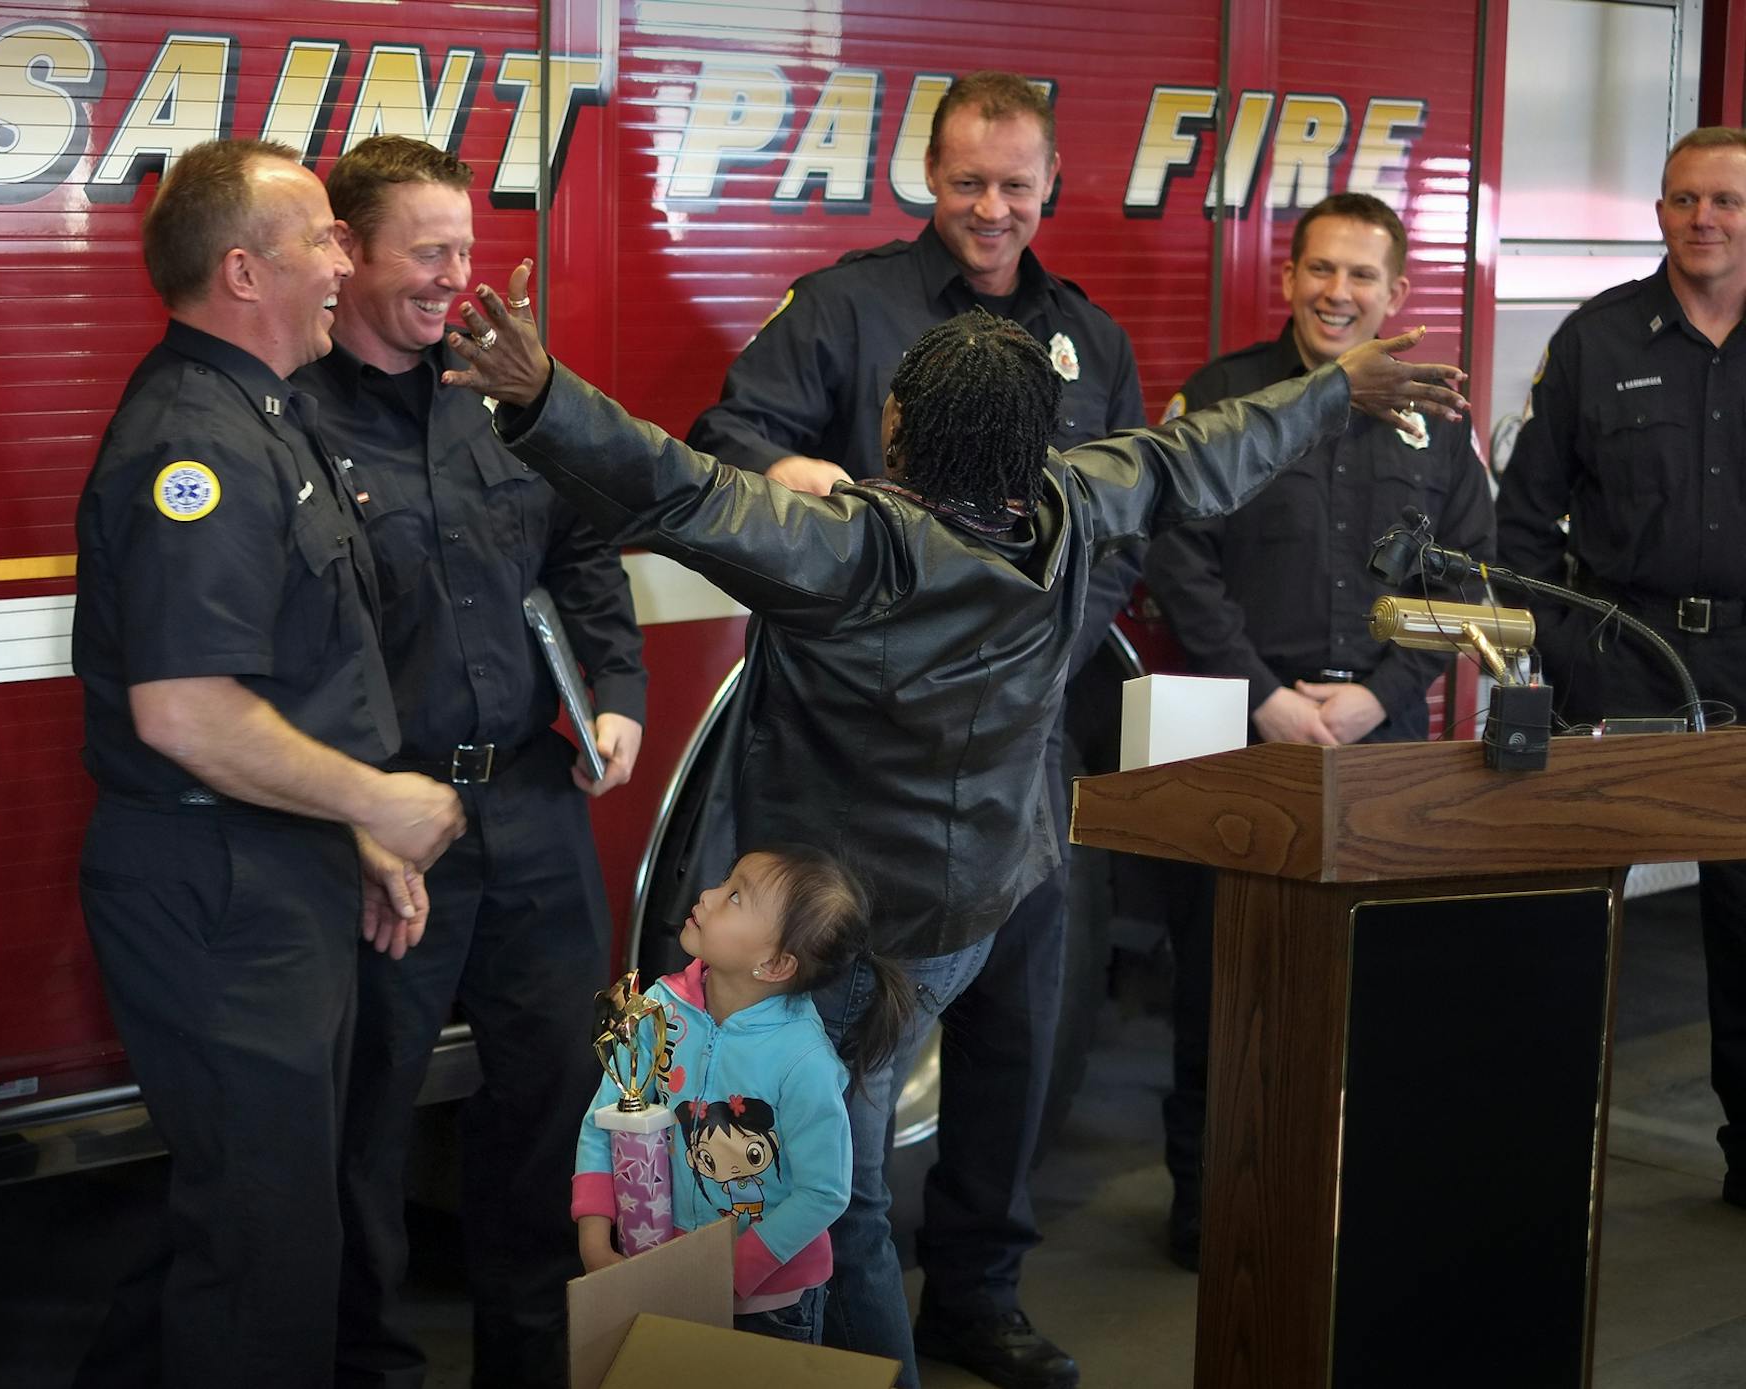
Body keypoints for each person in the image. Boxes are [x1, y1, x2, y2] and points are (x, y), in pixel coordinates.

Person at [446, 267, 1466, 1385]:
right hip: (969, 912)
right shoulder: (1073, 506)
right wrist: (1336, 387)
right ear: (1033, 440)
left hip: (839, 936)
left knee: (834, 1202)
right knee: (833, 1173)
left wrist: (542, 391)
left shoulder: (849, 551)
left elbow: (676, 487)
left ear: (898, 426)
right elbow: (1199, 455)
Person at [684, 70, 1144, 1387]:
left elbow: (1121, 530)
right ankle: (834, 1310)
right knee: (848, 1076)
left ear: (1052, 185)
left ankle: (979, 1295)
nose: (991, 209)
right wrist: (798, 477)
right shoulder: (847, 308)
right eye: (966, 182)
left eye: (1015, 184)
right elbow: (728, 437)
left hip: (1024, 762)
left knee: (1019, 1027)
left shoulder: (1090, 338)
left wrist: (1031, 651)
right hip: (864, 780)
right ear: (924, 177)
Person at [69, 137, 465, 1387]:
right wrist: (377, 801)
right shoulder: (197, 444)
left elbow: (290, 684)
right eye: (323, 240)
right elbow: (186, 709)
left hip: (271, 865)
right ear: (244, 272)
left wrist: (343, 833)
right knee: (264, 1250)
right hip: (217, 888)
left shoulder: (266, 414)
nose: (346, 261)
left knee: (258, 1216)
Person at [292, 135, 648, 1389]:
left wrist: (616, 693)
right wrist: (353, 817)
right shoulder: (291, 414)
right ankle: (370, 1367)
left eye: (466, 249)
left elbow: (582, 549)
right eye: (428, 252)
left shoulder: (503, 390)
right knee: (366, 1123)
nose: (458, 278)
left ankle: (531, 1363)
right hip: (388, 831)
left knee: (554, 1105)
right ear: (348, 252)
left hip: (533, 807)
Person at [1144, 192, 1496, 1267]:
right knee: (1226, 984)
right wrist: (1264, 694)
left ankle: (1359, 1203)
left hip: (1382, 740)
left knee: (1379, 981)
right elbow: (1177, 556)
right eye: (1321, 270)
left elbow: (1466, 574)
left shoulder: (1439, 417)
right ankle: (1213, 1212)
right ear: (1289, 278)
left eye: (1361, 275)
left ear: (1397, 293)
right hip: (1244, 730)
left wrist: (1383, 694)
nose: (1338, 293)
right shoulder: (1222, 399)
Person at [1494, 125, 1746, 1214]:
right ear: (1658, 213)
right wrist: (1570, 652)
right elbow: (1520, 524)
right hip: (1626, 655)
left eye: (1727, 201)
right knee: (1572, 913)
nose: (1705, 219)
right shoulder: (1595, 340)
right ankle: (1537, 1151)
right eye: (1685, 199)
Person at [573, 846, 911, 1346]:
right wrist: (594, 1242)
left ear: (773, 964)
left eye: (734, 897)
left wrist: (729, 1273)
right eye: (725, 882)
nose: (708, 895)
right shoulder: (657, 1009)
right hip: (656, 1273)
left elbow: (824, 1191)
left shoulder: (804, 1061)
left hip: (769, 1308)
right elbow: (603, 1119)